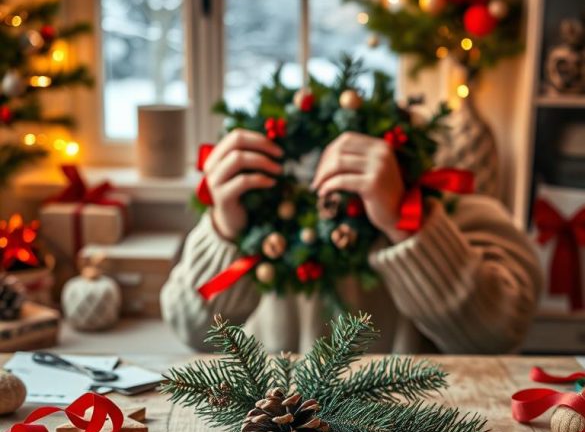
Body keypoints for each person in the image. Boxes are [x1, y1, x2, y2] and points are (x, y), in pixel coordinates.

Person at [161, 127, 542, 353]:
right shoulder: (258, 211)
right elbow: (191, 328)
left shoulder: (457, 212)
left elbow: (498, 332)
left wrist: (404, 223)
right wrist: (228, 231)